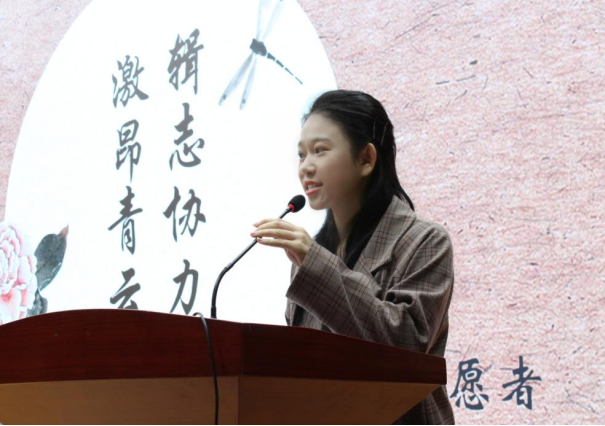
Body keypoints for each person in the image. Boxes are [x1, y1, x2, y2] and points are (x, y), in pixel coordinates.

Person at [251, 90, 455, 425]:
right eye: (301, 155)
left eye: (320, 150)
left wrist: (315, 262)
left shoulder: (425, 241)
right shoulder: (314, 254)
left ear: (366, 159)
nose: (306, 167)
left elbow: (405, 346)